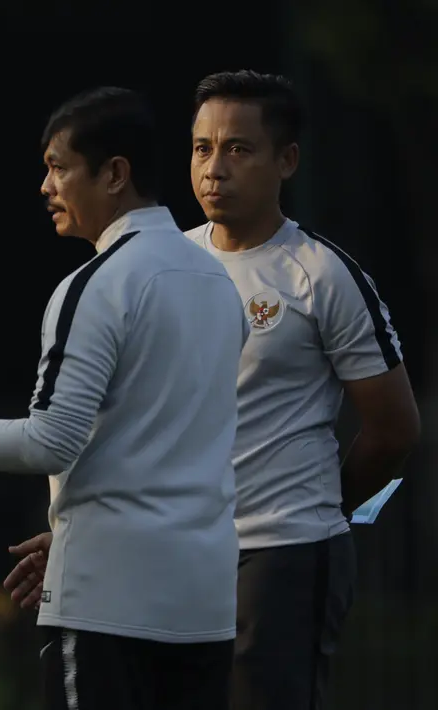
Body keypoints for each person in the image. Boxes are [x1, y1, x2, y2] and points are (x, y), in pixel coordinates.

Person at [0, 87, 247, 710]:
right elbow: (174, 444)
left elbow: (50, 438)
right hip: (206, 602)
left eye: (58, 166)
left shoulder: (97, 283)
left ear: (114, 174)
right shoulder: (217, 280)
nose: (45, 185)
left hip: (110, 601)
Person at [184, 70, 421, 710]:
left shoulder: (322, 275)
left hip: (281, 552)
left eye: (238, 148)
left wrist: (322, 507)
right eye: (202, 148)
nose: (214, 168)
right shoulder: (162, 266)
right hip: (172, 546)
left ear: (286, 160)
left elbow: (395, 429)